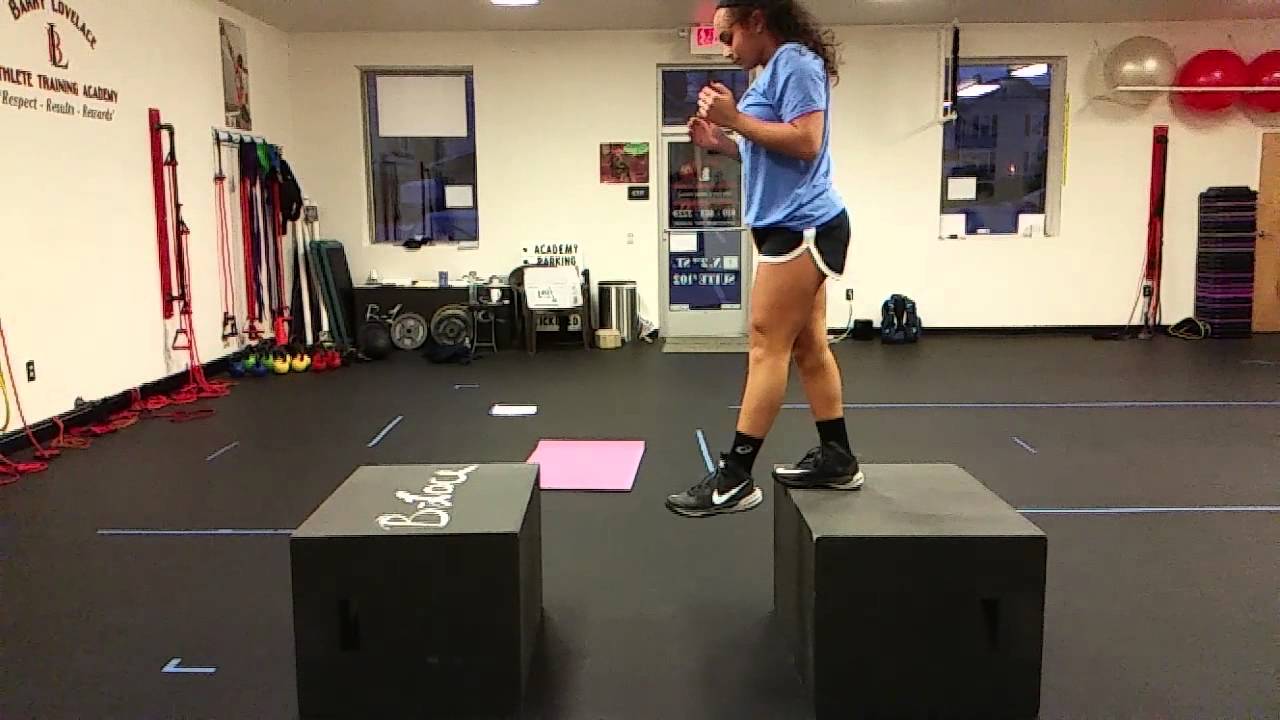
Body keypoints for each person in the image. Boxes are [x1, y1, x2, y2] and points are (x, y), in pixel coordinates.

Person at [666, 0, 863, 518]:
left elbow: (806, 141)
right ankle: (838, 457)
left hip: (801, 224)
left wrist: (734, 118)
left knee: (765, 345)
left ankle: (735, 477)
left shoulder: (795, 61)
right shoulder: (775, 69)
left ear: (757, 21)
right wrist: (723, 141)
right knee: (808, 347)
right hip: (788, 223)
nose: (726, 49)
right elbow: (772, 149)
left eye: (728, 36)